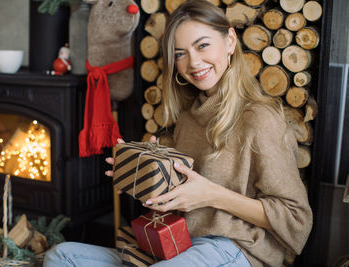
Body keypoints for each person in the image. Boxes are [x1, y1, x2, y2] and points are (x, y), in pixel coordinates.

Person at [43, 1, 313, 266]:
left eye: (203, 45)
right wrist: (140, 173)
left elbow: (296, 219)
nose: (193, 62)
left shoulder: (260, 118)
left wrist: (213, 195)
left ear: (230, 41)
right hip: (177, 243)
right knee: (62, 255)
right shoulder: (187, 119)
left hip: (234, 248)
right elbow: (182, 195)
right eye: (180, 53)